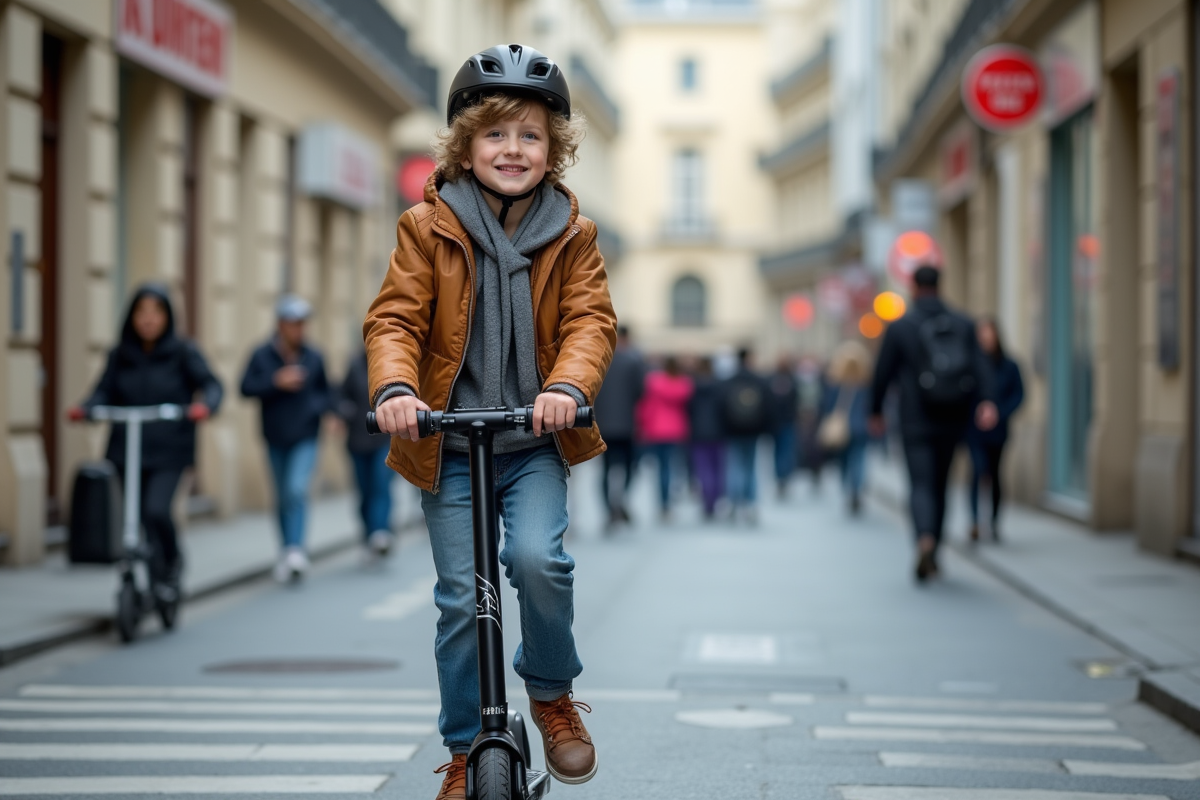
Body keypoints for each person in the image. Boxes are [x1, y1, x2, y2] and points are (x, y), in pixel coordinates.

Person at [363, 44, 614, 799]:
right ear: (466, 145)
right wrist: (396, 388)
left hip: (531, 440)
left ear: (554, 150)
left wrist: (568, 384)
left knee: (540, 561)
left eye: (530, 135)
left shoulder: (575, 234)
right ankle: (468, 749)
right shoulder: (425, 226)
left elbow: (590, 322)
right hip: (445, 442)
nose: (513, 149)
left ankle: (550, 696)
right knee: (458, 599)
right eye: (496, 134)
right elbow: (395, 320)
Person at [69, 283, 223, 603]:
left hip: (169, 450)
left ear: (168, 317)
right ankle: (146, 578)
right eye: (142, 312)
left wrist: (206, 404)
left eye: (156, 312)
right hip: (127, 450)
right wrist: (88, 407)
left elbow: (211, 384)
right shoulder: (120, 354)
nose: (148, 320)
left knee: (156, 510)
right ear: (132, 317)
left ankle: (170, 563)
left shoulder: (183, 351)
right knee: (135, 519)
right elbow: (103, 390)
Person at [869, 265, 997, 582]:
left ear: (913, 288)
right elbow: (982, 367)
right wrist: (987, 402)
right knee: (941, 485)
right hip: (952, 418)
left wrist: (875, 412)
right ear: (941, 285)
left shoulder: (902, 327)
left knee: (920, 484)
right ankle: (936, 549)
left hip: (914, 419)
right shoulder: (963, 323)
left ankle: (923, 538)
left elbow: (882, 373)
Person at [239, 295, 332, 584]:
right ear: (281, 324)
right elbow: (244, 388)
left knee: (296, 490)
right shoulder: (262, 354)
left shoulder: (314, 356)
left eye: (302, 324)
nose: (299, 330)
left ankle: (295, 551)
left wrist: (318, 410)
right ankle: (286, 550)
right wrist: (275, 382)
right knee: (281, 497)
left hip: (306, 435)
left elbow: (327, 393)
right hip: (275, 436)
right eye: (294, 324)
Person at [967, 317, 1024, 542]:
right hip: (974, 430)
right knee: (978, 471)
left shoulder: (1009, 366)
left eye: (988, 334)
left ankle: (994, 521)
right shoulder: (970, 365)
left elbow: (1018, 395)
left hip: (998, 430)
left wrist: (1000, 413)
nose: (985, 339)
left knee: (996, 475)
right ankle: (974, 521)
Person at [338, 347, 395, 560]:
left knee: (381, 485)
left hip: (383, 440)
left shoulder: (389, 367)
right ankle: (368, 533)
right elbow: (341, 395)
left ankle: (381, 532)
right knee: (364, 491)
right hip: (357, 441)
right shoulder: (353, 366)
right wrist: (344, 411)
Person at [594, 325, 645, 527]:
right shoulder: (634, 360)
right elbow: (640, 391)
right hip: (627, 424)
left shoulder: (599, 358)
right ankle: (621, 500)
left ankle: (609, 508)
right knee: (630, 467)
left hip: (603, 424)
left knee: (606, 470)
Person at [637, 356, 693, 521]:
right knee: (671, 466)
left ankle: (662, 503)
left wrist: (643, 426)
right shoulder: (684, 385)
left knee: (660, 468)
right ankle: (668, 502)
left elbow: (646, 407)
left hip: (655, 430)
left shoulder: (654, 383)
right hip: (676, 430)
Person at [821, 341, 873, 516]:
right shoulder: (866, 384)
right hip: (861, 428)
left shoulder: (836, 383)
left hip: (841, 429)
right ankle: (856, 489)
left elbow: (828, 406)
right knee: (858, 460)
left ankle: (847, 489)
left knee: (843, 461)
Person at [720, 347, 771, 524]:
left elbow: (721, 406)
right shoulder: (759, 380)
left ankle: (734, 501)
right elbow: (768, 407)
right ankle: (750, 503)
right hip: (753, 429)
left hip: (733, 429)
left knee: (735, 465)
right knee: (750, 466)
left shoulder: (729, 380)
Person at [688, 356, 726, 520]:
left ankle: (707, 501)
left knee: (703, 469)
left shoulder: (692, 385)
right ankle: (715, 499)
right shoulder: (720, 385)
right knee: (718, 468)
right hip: (718, 431)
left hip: (697, 433)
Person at [767, 356, 800, 498]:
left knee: (777, 451)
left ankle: (780, 477)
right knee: (786, 451)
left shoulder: (771, 380)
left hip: (776, 422)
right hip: (787, 421)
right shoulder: (792, 380)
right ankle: (784, 476)